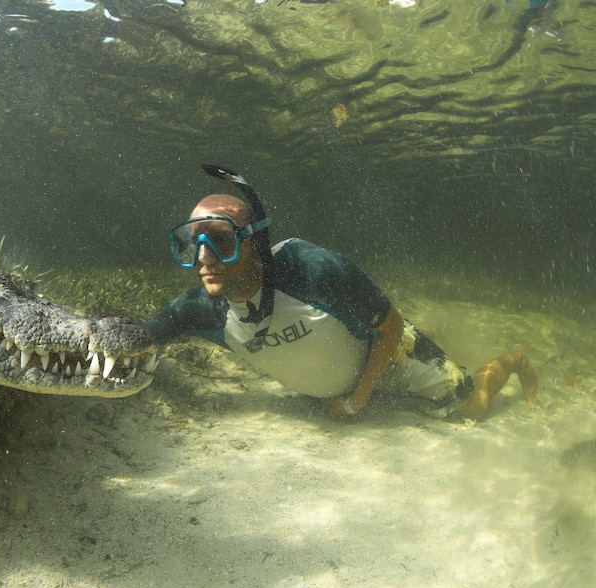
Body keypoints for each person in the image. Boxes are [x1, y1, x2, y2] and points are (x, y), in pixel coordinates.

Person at [144, 165, 537, 420]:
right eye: (190, 243)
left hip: (392, 357)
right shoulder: (203, 309)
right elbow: (140, 337)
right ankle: (437, 333)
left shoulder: (312, 269)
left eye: (219, 240)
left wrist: (356, 401)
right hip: (351, 364)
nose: (202, 258)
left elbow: (391, 325)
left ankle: (514, 358)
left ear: (254, 242)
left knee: (472, 407)